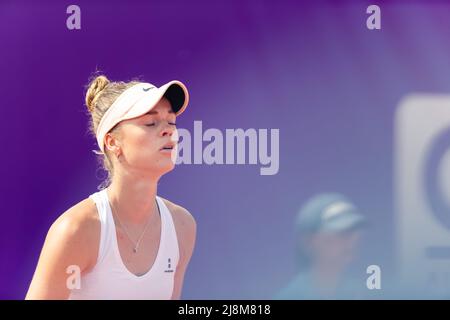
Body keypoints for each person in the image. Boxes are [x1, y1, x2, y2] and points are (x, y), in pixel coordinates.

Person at [26, 75, 196, 299]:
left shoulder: (182, 226)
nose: (168, 130)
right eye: (150, 123)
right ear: (113, 142)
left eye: (171, 122)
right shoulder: (75, 229)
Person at [275, 193, 366, 299]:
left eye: (353, 232)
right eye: (340, 232)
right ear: (308, 241)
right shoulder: (291, 296)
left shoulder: (359, 293)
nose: (351, 241)